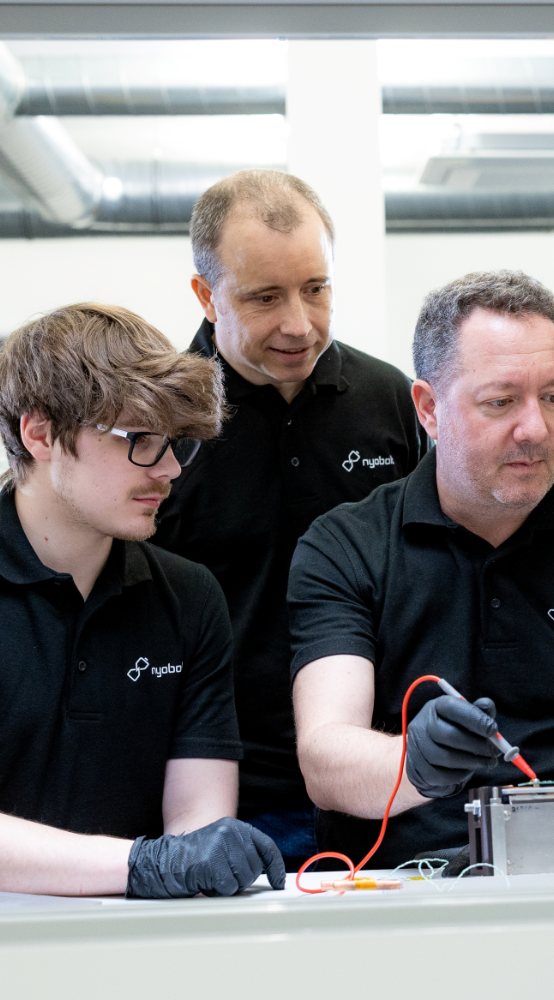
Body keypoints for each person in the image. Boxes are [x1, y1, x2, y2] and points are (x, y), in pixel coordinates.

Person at [0, 303, 284, 897]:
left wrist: (177, 865)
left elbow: (198, 828)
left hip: (140, 943)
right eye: (139, 440)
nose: (168, 470)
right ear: (38, 434)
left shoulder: (189, 598)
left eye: (174, 444)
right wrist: (143, 866)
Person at [290, 271, 554, 866]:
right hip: (395, 892)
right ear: (428, 408)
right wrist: (418, 764)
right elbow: (325, 761)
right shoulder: (345, 547)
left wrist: (546, 851)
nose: (535, 428)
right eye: (501, 402)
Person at [152, 169, 426, 868]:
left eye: (316, 288)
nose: (298, 324)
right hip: (233, 797)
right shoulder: (160, 423)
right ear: (207, 297)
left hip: (385, 785)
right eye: (265, 298)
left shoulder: (388, 400)